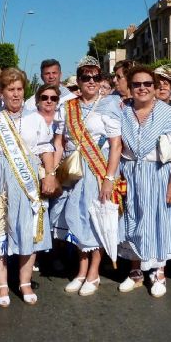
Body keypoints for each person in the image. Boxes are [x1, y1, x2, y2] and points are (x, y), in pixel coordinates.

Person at [0, 67, 57, 306]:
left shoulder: (35, 119)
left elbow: (45, 148)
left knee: (28, 228)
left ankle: (24, 281)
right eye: (10, 89)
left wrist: (50, 175)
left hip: (28, 179)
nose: (15, 94)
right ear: (1, 92)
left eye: (19, 89)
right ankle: (1, 284)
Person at [51, 56, 122, 296]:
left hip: (98, 169)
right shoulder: (67, 105)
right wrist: (54, 172)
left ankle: (94, 272)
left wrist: (109, 179)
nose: (91, 82)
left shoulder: (109, 105)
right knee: (76, 220)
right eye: (85, 77)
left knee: (96, 219)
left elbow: (116, 146)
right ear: (78, 81)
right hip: (73, 172)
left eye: (95, 77)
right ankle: (81, 269)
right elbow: (60, 142)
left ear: (101, 80)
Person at [118, 66, 171, 297]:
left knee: (158, 222)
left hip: (158, 174)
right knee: (133, 221)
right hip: (129, 173)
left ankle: (159, 272)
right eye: (137, 84)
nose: (142, 88)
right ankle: (136, 271)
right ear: (129, 88)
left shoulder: (166, 113)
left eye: (147, 84)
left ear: (154, 86)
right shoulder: (123, 111)